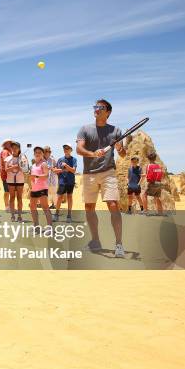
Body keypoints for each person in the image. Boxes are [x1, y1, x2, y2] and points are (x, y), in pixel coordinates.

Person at [76, 99, 127, 258]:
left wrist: (120, 148)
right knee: (89, 207)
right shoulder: (85, 129)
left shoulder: (116, 131)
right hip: (89, 172)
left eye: (100, 107)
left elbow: (123, 154)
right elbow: (79, 149)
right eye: (95, 107)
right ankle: (95, 241)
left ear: (108, 112)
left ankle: (119, 244)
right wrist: (92, 153)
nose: (96, 109)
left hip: (108, 172)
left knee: (113, 205)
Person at [29, 146, 53, 229]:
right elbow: (32, 177)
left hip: (42, 188)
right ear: (34, 154)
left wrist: (36, 176)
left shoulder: (43, 163)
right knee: (32, 206)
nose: (37, 154)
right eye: (36, 152)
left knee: (45, 207)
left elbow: (46, 175)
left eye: (39, 152)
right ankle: (36, 225)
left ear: (42, 154)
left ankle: (49, 227)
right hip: (34, 189)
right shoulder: (33, 165)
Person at [54, 143, 78, 223]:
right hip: (62, 181)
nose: (66, 149)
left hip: (70, 181)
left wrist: (66, 166)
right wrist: (63, 170)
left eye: (67, 148)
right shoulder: (60, 159)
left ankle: (69, 215)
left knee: (69, 197)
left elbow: (74, 171)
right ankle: (56, 215)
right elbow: (55, 170)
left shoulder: (74, 159)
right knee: (59, 197)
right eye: (64, 148)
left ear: (71, 150)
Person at [4, 142, 27, 222]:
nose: (14, 149)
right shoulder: (7, 158)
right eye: (13, 147)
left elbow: (25, 169)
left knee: (19, 198)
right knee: (12, 197)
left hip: (20, 179)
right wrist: (15, 166)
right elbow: (6, 169)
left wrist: (16, 167)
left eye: (16, 147)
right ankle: (13, 215)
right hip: (10, 180)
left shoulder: (23, 157)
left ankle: (20, 216)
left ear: (19, 148)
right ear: (11, 148)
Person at [0, 138, 12, 212]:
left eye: (10, 143)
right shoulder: (5, 151)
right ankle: (7, 206)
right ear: (4, 145)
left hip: (10, 174)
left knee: (10, 191)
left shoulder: (10, 151)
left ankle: (10, 206)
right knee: (7, 191)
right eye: (7, 143)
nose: (9, 144)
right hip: (6, 174)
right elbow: (5, 160)